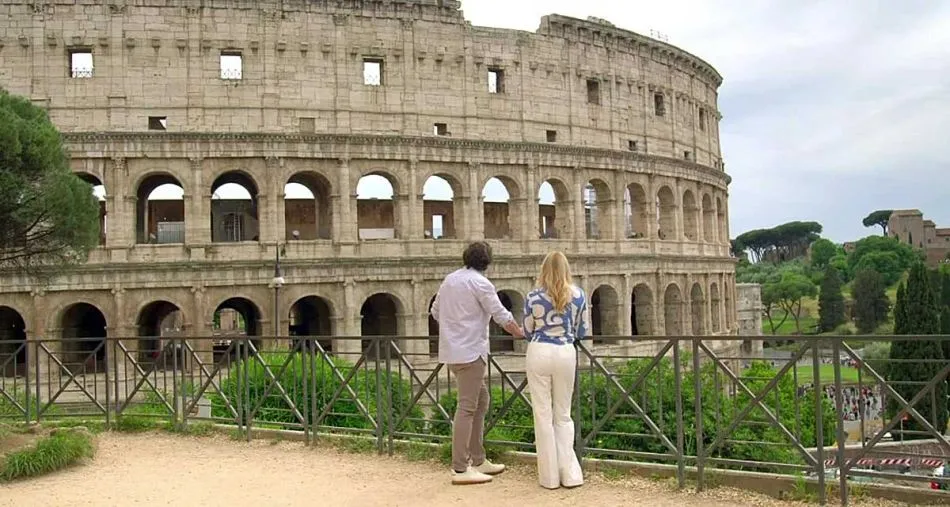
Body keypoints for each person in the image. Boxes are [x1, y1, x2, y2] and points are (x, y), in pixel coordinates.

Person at [430, 241, 524, 485]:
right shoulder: (482, 283)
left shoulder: (450, 279)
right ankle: (460, 468)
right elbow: (500, 314)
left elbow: (435, 311)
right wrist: (521, 333)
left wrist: (455, 328)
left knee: (481, 401)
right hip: (471, 352)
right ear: (488, 262)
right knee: (467, 407)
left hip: (453, 352)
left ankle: (479, 459)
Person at [522, 251, 587, 490]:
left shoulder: (533, 296)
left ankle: (548, 478)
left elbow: (527, 330)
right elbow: (582, 331)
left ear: (544, 270)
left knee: (542, 415)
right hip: (565, 352)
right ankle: (570, 474)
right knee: (563, 414)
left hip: (539, 351)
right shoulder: (579, 295)